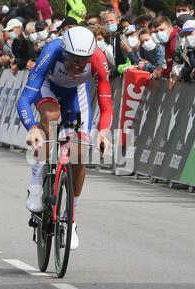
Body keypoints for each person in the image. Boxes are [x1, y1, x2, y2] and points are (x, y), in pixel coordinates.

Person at [17, 26, 113, 250]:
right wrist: (32, 128)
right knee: (50, 118)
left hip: (75, 94)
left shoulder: (98, 59)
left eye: (83, 62)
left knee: (80, 150)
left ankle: (71, 219)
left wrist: (104, 133)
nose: (76, 67)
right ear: (64, 51)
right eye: (71, 61)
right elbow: (24, 100)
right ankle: (35, 185)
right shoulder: (51, 51)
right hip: (48, 87)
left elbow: (106, 104)